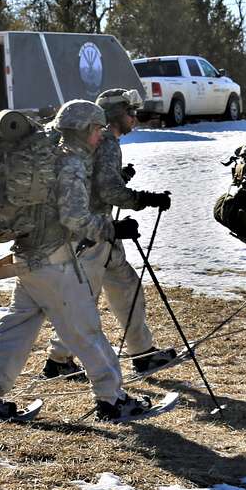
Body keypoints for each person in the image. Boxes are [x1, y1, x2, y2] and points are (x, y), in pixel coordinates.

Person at [0, 99, 154, 421]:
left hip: (28, 258)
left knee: (17, 326)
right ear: (84, 130)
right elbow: (75, 217)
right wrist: (112, 228)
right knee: (86, 329)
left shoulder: (47, 154)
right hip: (54, 262)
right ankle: (113, 399)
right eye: (97, 130)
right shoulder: (71, 162)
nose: (100, 136)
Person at [43, 88, 176, 380]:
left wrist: (119, 180)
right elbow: (109, 191)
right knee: (84, 298)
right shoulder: (106, 142)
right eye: (131, 112)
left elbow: (99, 184)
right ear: (117, 115)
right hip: (90, 234)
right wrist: (146, 198)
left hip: (99, 233)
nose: (135, 118)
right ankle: (58, 360)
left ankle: (142, 353)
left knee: (126, 285)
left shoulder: (98, 140)